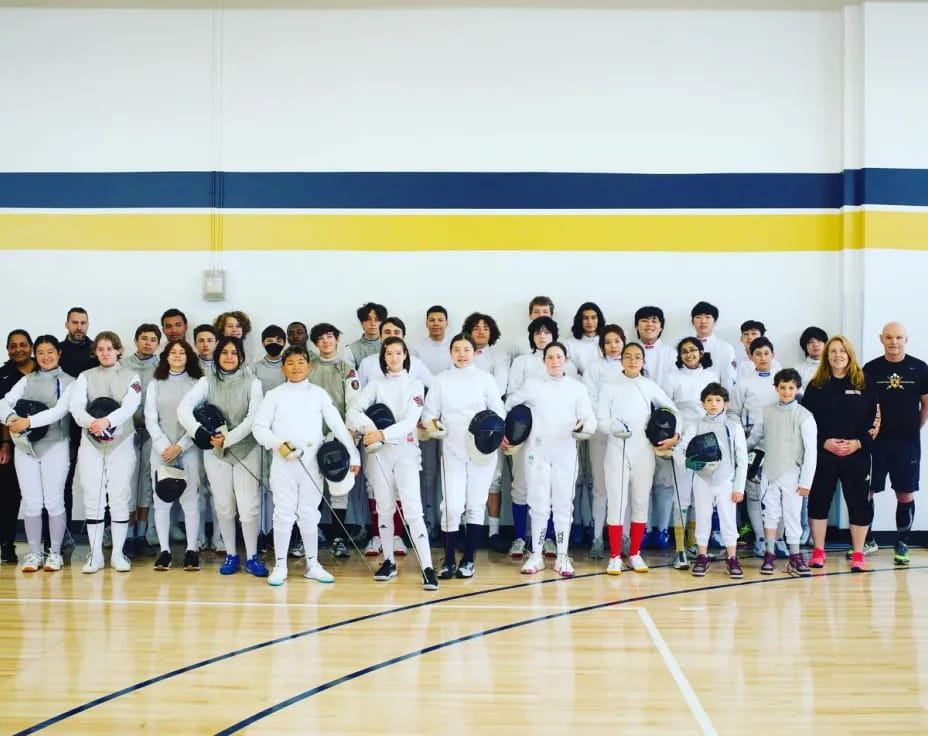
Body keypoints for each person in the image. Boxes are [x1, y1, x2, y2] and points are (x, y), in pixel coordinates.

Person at [253, 345, 360, 586]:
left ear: (308, 366)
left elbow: (337, 426)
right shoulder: (275, 395)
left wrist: (354, 456)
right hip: (283, 464)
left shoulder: (319, 394)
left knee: (309, 514)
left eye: (300, 362)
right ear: (283, 368)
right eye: (290, 363)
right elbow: (259, 427)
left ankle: (313, 564)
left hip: (312, 463)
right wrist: (278, 444)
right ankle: (280, 565)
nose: (296, 367)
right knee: (283, 514)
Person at [347, 337, 438, 590]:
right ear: (383, 357)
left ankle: (427, 567)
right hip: (379, 454)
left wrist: (383, 434)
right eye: (389, 354)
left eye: (398, 353)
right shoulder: (375, 384)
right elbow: (354, 411)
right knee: (384, 507)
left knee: (412, 510)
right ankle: (388, 561)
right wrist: (370, 429)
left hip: (406, 452)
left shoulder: (415, 385)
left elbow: (410, 421)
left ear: (405, 355)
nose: (394, 358)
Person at [178, 335, 267, 578]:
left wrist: (227, 438)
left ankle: (251, 557)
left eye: (233, 353)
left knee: (248, 507)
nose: (229, 357)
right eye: (224, 352)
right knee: (224, 506)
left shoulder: (253, 382)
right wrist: (202, 434)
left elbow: (253, 419)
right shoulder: (207, 381)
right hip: (215, 452)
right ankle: (230, 554)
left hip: (245, 450)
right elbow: (183, 408)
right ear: (218, 356)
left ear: (241, 357)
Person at [505, 342, 596, 577]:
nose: (555, 361)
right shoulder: (533, 385)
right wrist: (511, 431)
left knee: (564, 503)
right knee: (538, 503)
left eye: (559, 357)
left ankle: (563, 556)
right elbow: (509, 405)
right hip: (537, 452)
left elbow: (589, 418)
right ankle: (536, 555)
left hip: (566, 451)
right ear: (544, 361)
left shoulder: (577, 388)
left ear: (565, 360)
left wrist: (585, 426)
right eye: (550, 357)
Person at [421, 332, 505, 579]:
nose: (461, 354)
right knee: (451, 506)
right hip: (452, 448)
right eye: (456, 349)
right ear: (451, 353)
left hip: (482, 452)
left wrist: (493, 434)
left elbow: (498, 412)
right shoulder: (441, 380)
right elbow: (429, 414)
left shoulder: (486, 379)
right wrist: (435, 426)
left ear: (474, 352)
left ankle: (468, 559)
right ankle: (447, 560)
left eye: (466, 349)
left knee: (476, 505)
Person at [595, 342, 680, 574]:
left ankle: (634, 554)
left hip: (643, 452)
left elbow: (673, 411)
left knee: (640, 502)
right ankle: (614, 556)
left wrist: (675, 435)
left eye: (637, 357)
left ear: (643, 361)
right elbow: (600, 420)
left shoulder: (648, 386)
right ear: (621, 360)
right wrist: (613, 426)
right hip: (616, 451)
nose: (633, 361)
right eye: (628, 356)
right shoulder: (609, 387)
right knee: (617, 503)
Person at [800, 336, 879, 572]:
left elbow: (875, 420)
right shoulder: (816, 385)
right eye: (832, 351)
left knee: (858, 504)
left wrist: (857, 443)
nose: (837, 355)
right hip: (824, 455)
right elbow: (806, 423)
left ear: (850, 354)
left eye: (842, 351)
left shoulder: (865, 382)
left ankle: (858, 554)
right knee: (818, 503)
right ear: (827, 356)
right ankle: (818, 552)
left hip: (857, 454)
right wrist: (823, 443)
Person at [69, 331, 142, 573]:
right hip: (91, 442)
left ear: (119, 350)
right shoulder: (85, 376)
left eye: (110, 348)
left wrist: (107, 421)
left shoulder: (132, 376)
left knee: (120, 496)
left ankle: (118, 554)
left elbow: (130, 406)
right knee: (93, 496)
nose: (105, 353)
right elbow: (76, 406)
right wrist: (92, 423)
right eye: (100, 349)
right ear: (95, 352)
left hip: (121, 442)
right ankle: (96, 555)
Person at [0, 335, 74, 571]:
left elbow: (58, 412)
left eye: (50, 352)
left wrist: (28, 421)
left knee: (53, 501)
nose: (45, 357)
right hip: (25, 447)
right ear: (36, 355)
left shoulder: (70, 381)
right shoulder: (26, 380)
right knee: (31, 502)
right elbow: (3, 403)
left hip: (56, 445)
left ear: (58, 353)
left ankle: (54, 553)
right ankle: (33, 554)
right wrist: (12, 419)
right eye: (41, 353)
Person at [506, 316, 577, 559]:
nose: (542, 336)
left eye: (547, 332)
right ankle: (519, 537)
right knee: (522, 486)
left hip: (561, 442)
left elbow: (575, 404)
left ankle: (548, 540)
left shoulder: (571, 372)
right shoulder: (522, 363)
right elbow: (512, 399)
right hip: (527, 437)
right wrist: (512, 432)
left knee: (556, 493)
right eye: (538, 332)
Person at [863, 322, 928, 565]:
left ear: (906, 339)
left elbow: (926, 405)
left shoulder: (919, 368)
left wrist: (913, 428)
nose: (894, 342)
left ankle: (902, 543)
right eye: (889, 337)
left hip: (907, 443)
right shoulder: (870, 369)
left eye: (899, 337)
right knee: (867, 491)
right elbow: (863, 406)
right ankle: (867, 540)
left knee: (905, 494)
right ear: (881, 339)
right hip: (877, 443)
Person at [677, 382, 747, 579]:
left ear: (726, 403)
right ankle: (702, 556)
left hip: (726, 480)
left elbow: (742, 459)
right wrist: (687, 462)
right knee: (702, 516)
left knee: (728, 519)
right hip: (702, 480)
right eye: (709, 400)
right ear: (702, 403)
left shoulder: (733, 426)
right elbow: (680, 449)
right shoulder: (696, 425)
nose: (713, 404)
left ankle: (732, 558)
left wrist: (738, 487)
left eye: (718, 400)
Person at [750, 368, 816, 576]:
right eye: (782, 387)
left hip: (793, 472)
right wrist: (739, 451)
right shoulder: (767, 411)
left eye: (791, 387)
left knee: (792, 514)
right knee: (770, 513)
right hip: (770, 471)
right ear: (776, 388)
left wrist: (806, 482)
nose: (787, 391)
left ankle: (795, 556)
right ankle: (769, 553)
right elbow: (755, 438)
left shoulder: (804, 415)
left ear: (797, 389)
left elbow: (811, 451)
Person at [144, 339, 204, 571]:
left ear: (189, 356)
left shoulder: (199, 383)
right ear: (166, 356)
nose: (177, 355)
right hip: (161, 450)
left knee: (190, 500)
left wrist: (180, 445)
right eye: (173, 352)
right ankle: (165, 552)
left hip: (188, 448)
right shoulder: (155, 383)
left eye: (182, 352)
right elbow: (150, 418)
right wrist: (164, 447)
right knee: (161, 502)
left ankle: (191, 550)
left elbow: (198, 418)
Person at [308, 322, 362, 557]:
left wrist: (350, 432)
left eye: (329, 337)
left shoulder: (346, 368)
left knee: (339, 488)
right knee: (312, 488)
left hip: (339, 435)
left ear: (337, 339)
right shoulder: (307, 368)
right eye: (320, 338)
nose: (326, 341)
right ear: (315, 343)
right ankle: (312, 535)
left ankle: (339, 537)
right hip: (311, 435)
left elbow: (353, 403)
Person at [663, 337, 716, 566]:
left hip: (707, 445)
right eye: (684, 351)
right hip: (683, 444)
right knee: (682, 497)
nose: (689, 354)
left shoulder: (711, 376)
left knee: (701, 498)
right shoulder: (672, 378)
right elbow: (665, 411)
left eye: (693, 350)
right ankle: (679, 550)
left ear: (701, 352)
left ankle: (694, 545)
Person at [728, 336, 779, 557]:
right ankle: (760, 537)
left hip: (780, 443)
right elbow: (732, 413)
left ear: (773, 354)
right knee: (755, 492)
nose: (762, 358)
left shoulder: (783, 379)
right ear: (750, 357)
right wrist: (740, 440)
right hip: (752, 445)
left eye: (766, 353)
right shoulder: (744, 383)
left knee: (779, 493)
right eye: (757, 354)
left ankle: (777, 540)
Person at [463, 311, 509, 551]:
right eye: (476, 327)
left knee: (494, 478)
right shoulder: (462, 355)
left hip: (490, 422)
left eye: (485, 327)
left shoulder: (499, 356)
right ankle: (468, 530)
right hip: (464, 425)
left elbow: (498, 387)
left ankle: (493, 532)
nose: (481, 331)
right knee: (465, 478)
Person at [581, 324, 625, 559]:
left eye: (617, 341)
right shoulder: (594, 368)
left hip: (627, 436)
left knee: (624, 486)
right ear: (602, 346)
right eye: (608, 342)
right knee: (600, 487)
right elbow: (590, 398)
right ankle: (598, 537)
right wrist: (605, 422)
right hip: (600, 432)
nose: (613, 346)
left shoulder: (632, 367)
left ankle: (624, 536)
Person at [120, 323, 162, 555]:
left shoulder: (161, 366)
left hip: (152, 431)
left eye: (153, 339)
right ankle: (126, 534)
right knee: (127, 480)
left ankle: (142, 535)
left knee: (146, 481)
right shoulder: (123, 365)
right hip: (127, 430)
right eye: (143, 338)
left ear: (158, 343)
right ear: (136, 340)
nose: (148, 342)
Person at [0, 329, 36, 562]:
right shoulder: (3, 375)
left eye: (23, 344)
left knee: (43, 498)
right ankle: (7, 544)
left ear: (31, 347)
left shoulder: (45, 368)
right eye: (13, 346)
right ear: (8, 350)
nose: (18, 349)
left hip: (45, 444)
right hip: (11, 445)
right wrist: (4, 444)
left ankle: (48, 547)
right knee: (8, 496)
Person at [191, 323, 222, 551]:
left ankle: (219, 537)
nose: (205, 344)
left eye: (209, 340)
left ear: (216, 343)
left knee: (219, 488)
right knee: (198, 487)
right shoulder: (189, 368)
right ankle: (200, 536)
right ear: (195, 344)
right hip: (195, 435)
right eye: (200, 340)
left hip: (220, 434)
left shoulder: (226, 366)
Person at [690, 301, 736, 391]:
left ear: (715, 322)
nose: (703, 321)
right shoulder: (684, 347)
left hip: (714, 401)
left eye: (707, 317)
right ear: (692, 322)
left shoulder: (725, 348)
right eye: (698, 317)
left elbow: (729, 379)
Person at [635, 306, 675, 387]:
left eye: (654, 321)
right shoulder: (627, 352)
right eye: (644, 321)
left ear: (661, 327)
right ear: (636, 326)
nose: (649, 324)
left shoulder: (672, 354)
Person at [564, 302, 605, 376]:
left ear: (599, 320)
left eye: (593, 318)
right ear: (580, 321)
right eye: (585, 318)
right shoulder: (569, 344)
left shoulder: (607, 341)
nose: (590, 322)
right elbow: (568, 371)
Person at [345, 302, 387, 369]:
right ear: (361, 323)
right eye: (368, 319)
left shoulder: (392, 345)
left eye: (377, 320)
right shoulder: (351, 349)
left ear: (383, 323)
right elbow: (348, 377)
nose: (372, 323)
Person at [252, 325, 287, 394]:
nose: (274, 344)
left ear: (284, 344)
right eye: (269, 341)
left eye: (278, 341)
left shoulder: (289, 366)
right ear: (263, 343)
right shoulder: (254, 368)